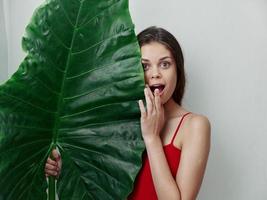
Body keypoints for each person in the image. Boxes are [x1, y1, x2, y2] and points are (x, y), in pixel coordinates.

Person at [45, 26, 211, 200]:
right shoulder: (119, 121)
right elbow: (103, 183)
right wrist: (65, 169)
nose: (155, 74)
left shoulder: (195, 125)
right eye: (144, 66)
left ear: (178, 69)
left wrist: (152, 138)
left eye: (165, 64)